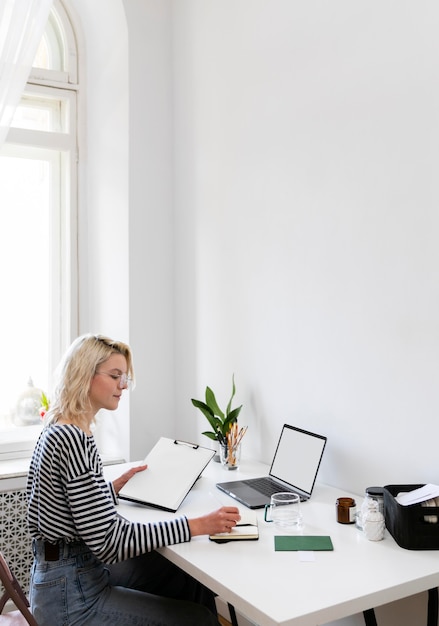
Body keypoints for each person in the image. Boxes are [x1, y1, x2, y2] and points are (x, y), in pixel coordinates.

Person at [27, 333, 241, 626]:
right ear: (85, 375)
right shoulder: (72, 437)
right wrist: (198, 525)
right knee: (201, 619)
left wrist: (108, 491)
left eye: (124, 377)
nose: (123, 386)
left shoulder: (63, 427)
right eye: (115, 376)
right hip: (71, 596)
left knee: (184, 578)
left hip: (68, 573)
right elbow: (110, 543)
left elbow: (63, 507)